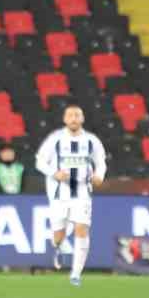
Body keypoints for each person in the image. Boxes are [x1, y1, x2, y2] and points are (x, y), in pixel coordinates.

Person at [35, 104, 107, 286]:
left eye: (77, 115)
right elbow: (40, 161)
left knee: (81, 228)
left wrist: (99, 176)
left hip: (83, 192)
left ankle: (76, 274)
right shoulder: (55, 139)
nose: (74, 118)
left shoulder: (92, 141)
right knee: (58, 235)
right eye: (70, 115)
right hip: (59, 194)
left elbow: (101, 162)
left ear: (82, 118)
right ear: (65, 119)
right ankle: (58, 247)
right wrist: (54, 173)